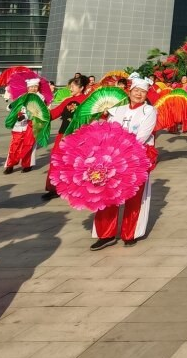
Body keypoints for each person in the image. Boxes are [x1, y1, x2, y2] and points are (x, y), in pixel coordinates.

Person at [91, 74, 158, 249]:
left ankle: (130, 233)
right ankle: (106, 234)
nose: (139, 94)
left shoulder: (149, 111)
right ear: (129, 91)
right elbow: (108, 131)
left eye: (143, 91)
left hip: (137, 156)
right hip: (113, 157)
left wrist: (122, 149)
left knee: (134, 195)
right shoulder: (117, 110)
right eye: (136, 90)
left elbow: (142, 136)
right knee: (108, 194)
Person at [42, 74, 91, 201]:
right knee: (56, 160)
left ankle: (76, 188)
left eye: (73, 86)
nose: (70, 88)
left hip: (80, 138)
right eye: (71, 86)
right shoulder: (67, 101)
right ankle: (54, 188)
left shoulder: (89, 102)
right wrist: (41, 111)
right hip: (63, 135)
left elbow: (96, 117)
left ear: (81, 87)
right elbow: (53, 114)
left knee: (77, 163)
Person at [4, 78, 43, 174]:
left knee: (29, 145)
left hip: (31, 125)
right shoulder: (22, 96)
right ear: (28, 88)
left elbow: (39, 112)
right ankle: (10, 165)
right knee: (14, 145)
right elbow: (12, 107)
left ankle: (27, 164)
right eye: (31, 87)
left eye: (35, 87)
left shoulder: (40, 98)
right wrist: (11, 107)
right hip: (18, 125)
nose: (33, 89)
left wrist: (25, 116)